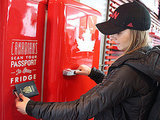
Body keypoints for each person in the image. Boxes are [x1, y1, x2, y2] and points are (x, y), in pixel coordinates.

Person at [15, 1, 160, 120]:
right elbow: (119, 90)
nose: (112, 37)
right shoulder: (145, 58)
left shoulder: (130, 70)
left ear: (136, 33)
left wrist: (31, 108)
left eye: (119, 32)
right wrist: (93, 73)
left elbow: (82, 109)